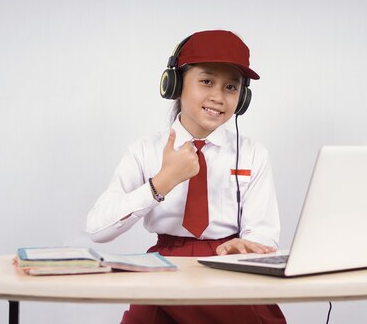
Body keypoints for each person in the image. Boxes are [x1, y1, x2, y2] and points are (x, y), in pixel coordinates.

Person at [86, 30, 286, 324]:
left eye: (231, 87)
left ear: (242, 98)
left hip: (229, 266)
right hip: (166, 266)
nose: (218, 96)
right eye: (206, 81)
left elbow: (264, 231)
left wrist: (247, 246)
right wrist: (161, 183)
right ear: (175, 84)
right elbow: (98, 228)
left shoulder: (253, 153)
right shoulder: (144, 151)